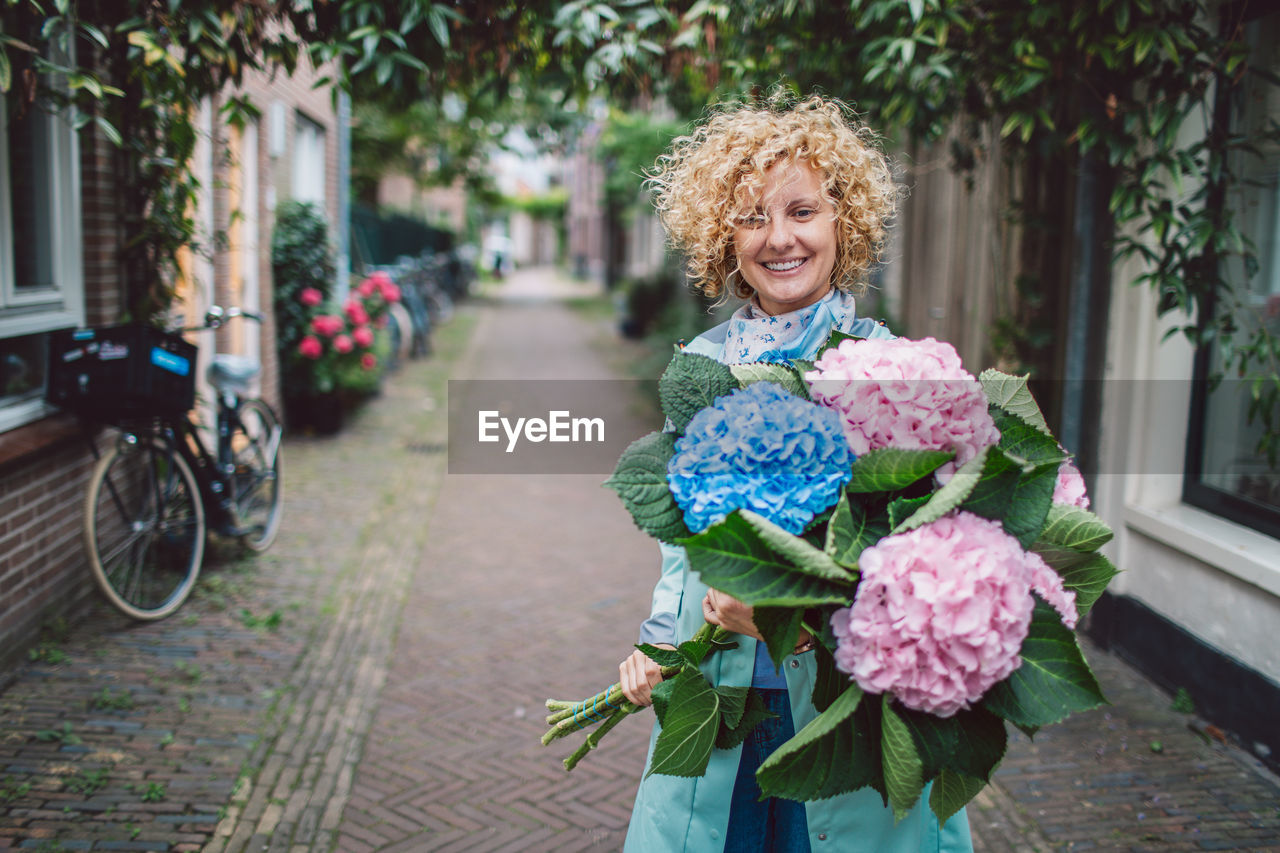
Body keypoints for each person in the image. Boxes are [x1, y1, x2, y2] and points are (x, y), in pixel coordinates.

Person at [617, 93, 975, 852]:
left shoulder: (888, 370)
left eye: (802, 211)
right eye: (751, 216)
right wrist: (657, 639)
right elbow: (682, 546)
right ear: (723, 233)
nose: (778, 237)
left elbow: (923, 563)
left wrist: (805, 620)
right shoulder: (702, 370)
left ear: (843, 222)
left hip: (845, 719)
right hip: (721, 705)